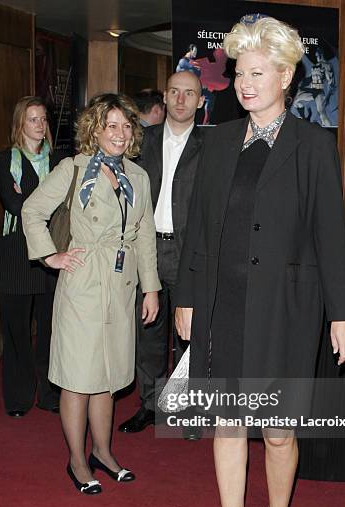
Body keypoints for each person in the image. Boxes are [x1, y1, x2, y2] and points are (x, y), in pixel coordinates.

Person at [175, 16, 345, 507]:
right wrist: (186, 296)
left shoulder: (314, 145)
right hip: (224, 305)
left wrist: (343, 313)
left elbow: (331, 235)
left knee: (277, 430)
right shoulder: (218, 140)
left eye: (257, 73)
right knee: (228, 425)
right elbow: (198, 230)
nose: (245, 83)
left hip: (287, 311)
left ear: (285, 75)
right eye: (239, 73)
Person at [22, 93, 160, 494]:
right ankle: (77, 460)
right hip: (82, 283)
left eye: (125, 126)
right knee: (78, 378)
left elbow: (145, 236)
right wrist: (50, 256)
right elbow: (32, 210)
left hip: (121, 285)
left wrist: (150, 288)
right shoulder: (74, 169)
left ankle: (103, 451)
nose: (119, 133)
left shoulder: (138, 177)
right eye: (110, 125)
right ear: (95, 130)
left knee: (110, 376)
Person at [118, 71, 205, 438]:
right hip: (147, 250)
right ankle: (151, 405)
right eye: (175, 92)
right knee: (148, 332)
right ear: (164, 97)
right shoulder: (141, 142)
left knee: (191, 335)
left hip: (191, 253)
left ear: (201, 102)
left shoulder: (214, 146)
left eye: (190, 93)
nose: (181, 99)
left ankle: (187, 408)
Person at [0, 96, 62, 417]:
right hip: (14, 255)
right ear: (20, 124)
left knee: (50, 331)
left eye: (43, 119)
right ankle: (19, 397)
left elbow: (62, 208)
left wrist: (31, 201)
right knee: (16, 332)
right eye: (32, 119)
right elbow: (13, 204)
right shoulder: (4, 160)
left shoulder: (59, 161)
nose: (39, 124)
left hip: (51, 252)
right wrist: (41, 204)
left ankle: (49, 395)